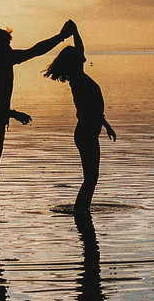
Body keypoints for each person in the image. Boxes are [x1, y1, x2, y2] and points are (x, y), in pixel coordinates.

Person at [0, 20, 75, 215]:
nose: (10, 48)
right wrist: (13, 113)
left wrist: (61, 37)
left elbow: (35, 50)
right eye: (7, 45)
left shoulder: (3, 60)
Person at [43, 22, 116, 213]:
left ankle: (81, 212)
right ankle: (80, 212)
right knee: (91, 178)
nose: (83, 58)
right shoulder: (78, 80)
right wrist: (74, 32)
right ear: (75, 62)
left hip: (89, 132)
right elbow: (89, 111)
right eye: (79, 57)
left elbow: (94, 110)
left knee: (91, 177)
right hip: (86, 133)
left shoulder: (79, 77)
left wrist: (106, 125)